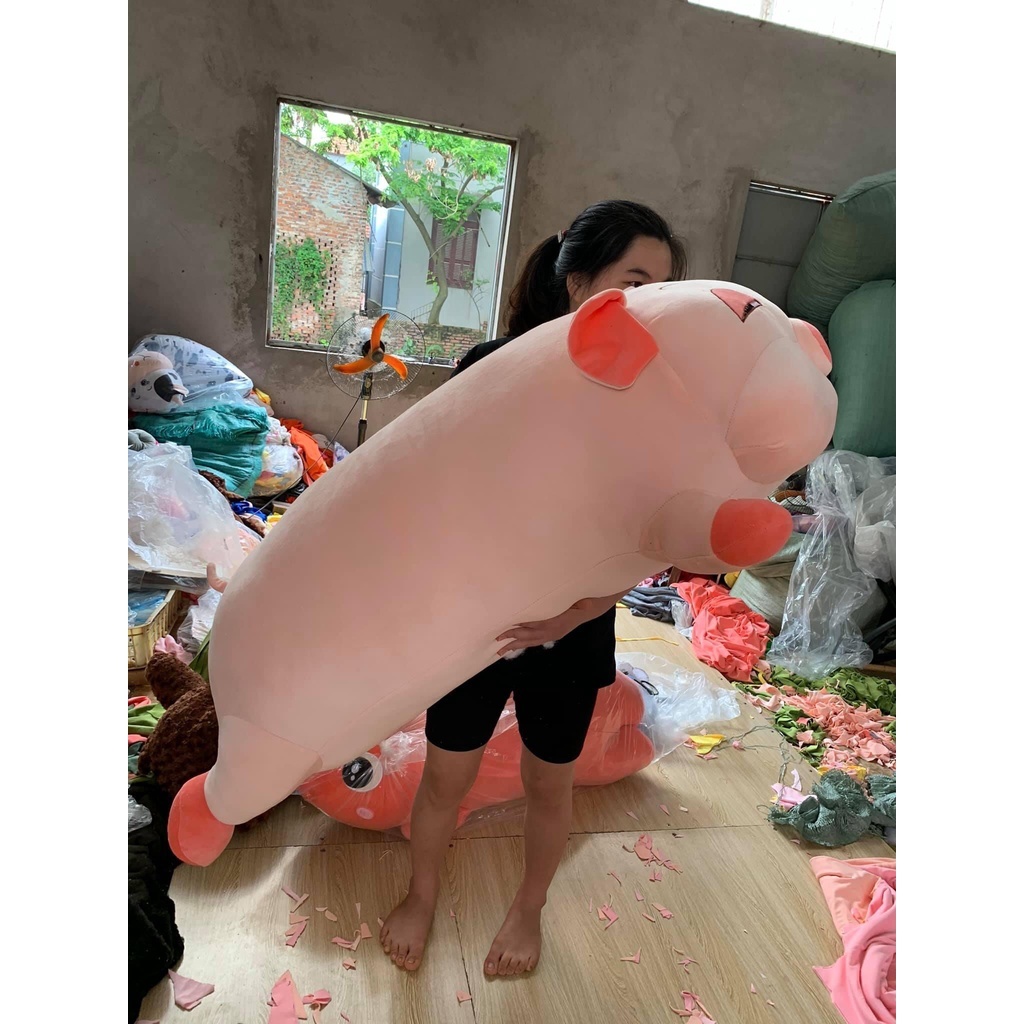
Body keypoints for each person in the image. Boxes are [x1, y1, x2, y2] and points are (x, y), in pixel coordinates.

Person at [380, 200, 687, 977]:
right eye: (635, 281)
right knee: (445, 776)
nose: (650, 302)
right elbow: (440, 495)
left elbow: (646, 531)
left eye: (662, 288)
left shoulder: (647, 397)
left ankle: (528, 908)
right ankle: (421, 893)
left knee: (551, 786)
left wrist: (579, 609)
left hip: (574, 628)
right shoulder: (492, 367)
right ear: (577, 281)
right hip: (478, 624)